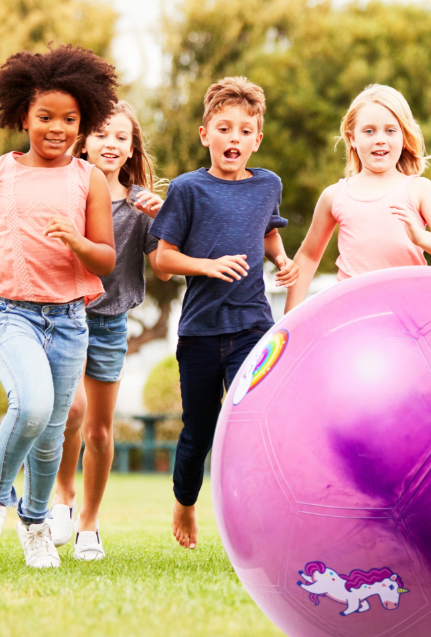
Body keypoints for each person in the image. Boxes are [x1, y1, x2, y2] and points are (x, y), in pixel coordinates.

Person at [150, 76, 298, 550]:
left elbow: (268, 230)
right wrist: (207, 265)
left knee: (253, 423)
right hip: (200, 332)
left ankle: (254, 520)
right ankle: (185, 502)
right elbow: (163, 259)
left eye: (244, 131)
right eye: (224, 128)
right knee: (199, 431)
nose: (234, 138)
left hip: (253, 326)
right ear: (205, 134)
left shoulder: (268, 184)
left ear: (257, 139)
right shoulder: (187, 189)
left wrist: (282, 259)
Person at [0, 45, 118, 568]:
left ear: (83, 124)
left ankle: (36, 525)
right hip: (7, 311)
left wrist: (79, 244)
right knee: (33, 406)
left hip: (68, 319)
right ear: (23, 116)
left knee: (51, 435)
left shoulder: (89, 179)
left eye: (69, 119)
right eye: (45, 117)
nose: (57, 128)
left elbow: (106, 258)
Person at [47, 101, 173, 561]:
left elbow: (163, 270)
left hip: (110, 322)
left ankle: (89, 522)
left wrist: (166, 220)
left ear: (132, 148)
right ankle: (63, 493)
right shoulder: (64, 191)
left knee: (99, 431)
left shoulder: (141, 206)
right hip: (64, 315)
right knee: (70, 412)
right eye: (101, 134)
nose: (111, 144)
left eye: (121, 137)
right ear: (84, 142)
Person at [284, 84, 431, 312]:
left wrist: (421, 237)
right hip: (354, 317)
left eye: (390, 130)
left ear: (403, 137)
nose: (380, 139)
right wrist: (288, 320)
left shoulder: (420, 190)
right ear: (352, 138)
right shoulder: (334, 196)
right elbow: (308, 257)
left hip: (409, 316)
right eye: (369, 131)